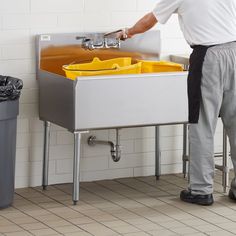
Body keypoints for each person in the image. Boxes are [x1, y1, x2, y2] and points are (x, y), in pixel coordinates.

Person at [116, 0, 236, 206]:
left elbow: (149, 21)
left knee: (202, 124)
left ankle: (201, 190)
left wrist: (127, 32)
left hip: (209, 56)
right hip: (234, 51)